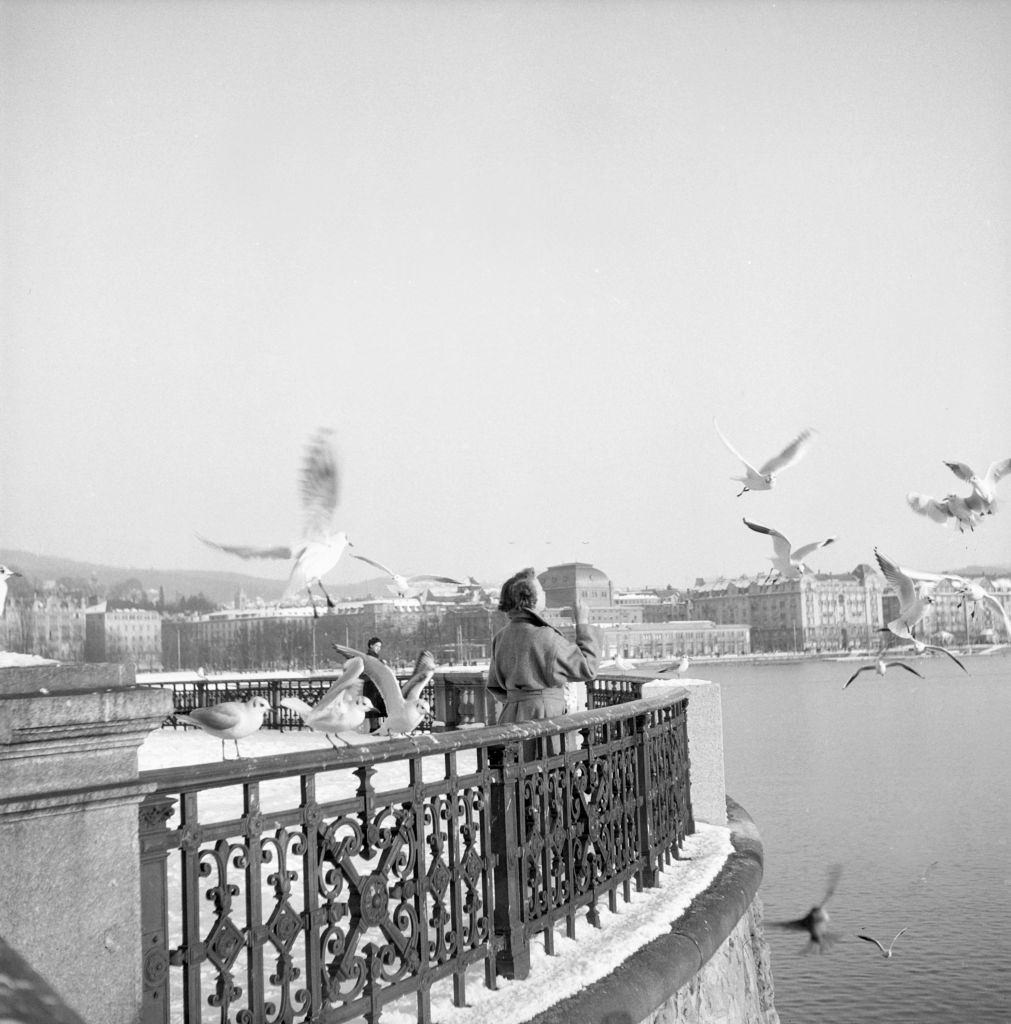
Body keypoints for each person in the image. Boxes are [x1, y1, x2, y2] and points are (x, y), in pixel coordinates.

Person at [487, 567, 599, 753]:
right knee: (548, 775)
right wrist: (583, 622)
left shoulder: (501, 637)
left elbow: (495, 686)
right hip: (546, 720)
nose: (545, 593)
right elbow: (588, 668)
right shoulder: (545, 636)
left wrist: (521, 700)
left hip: (510, 720)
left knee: (516, 778)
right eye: (541, 590)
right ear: (530, 599)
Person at [362, 636, 388, 733]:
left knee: (377, 707)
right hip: (370, 686)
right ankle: (374, 728)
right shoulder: (367, 658)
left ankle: (376, 727)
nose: (378, 648)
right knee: (372, 707)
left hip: (376, 686)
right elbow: (364, 673)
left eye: (380, 646)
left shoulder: (375, 658)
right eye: (376, 646)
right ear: (371, 645)